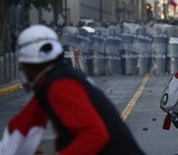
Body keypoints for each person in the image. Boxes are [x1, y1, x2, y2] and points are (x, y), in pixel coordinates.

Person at [0, 25, 145, 154]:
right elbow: (25, 122)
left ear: (29, 65)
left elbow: (95, 135)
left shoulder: (59, 85)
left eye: (23, 66)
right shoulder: (58, 78)